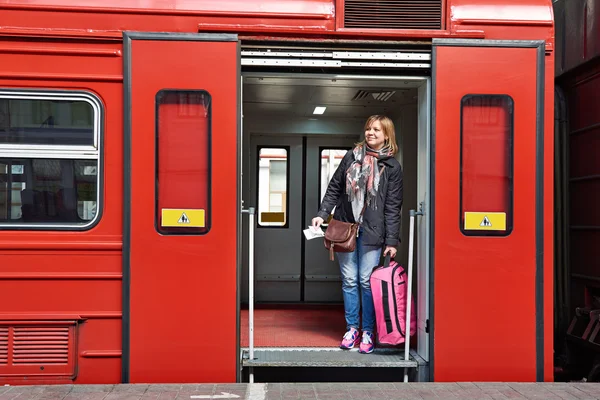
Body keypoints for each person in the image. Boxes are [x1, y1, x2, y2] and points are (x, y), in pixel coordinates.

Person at [312, 115, 403, 354]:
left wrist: (392, 240)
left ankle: (368, 331)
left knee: (365, 282)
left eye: (376, 130)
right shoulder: (351, 157)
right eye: (368, 128)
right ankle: (352, 328)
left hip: (373, 233)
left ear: (386, 135)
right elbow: (334, 187)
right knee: (350, 281)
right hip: (345, 229)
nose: (370, 133)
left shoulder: (392, 167)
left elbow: (393, 207)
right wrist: (323, 214)